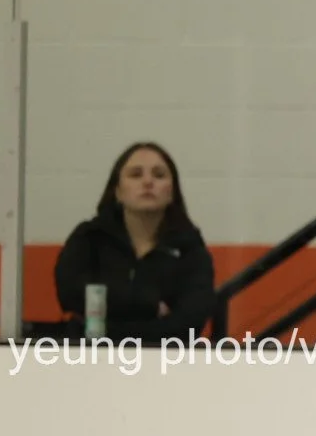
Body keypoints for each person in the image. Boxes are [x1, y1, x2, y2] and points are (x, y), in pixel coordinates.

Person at [53, 142, 216, 345]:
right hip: (89, 357)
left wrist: (111, 328)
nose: (148, 182)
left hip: (165, 359)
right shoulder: (89, 237)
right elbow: (71, 294)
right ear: (118, 191)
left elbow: (188, 325)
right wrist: (149, 305)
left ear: (172, 192)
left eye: (159, 175)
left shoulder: (190, 249)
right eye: (135, 174)